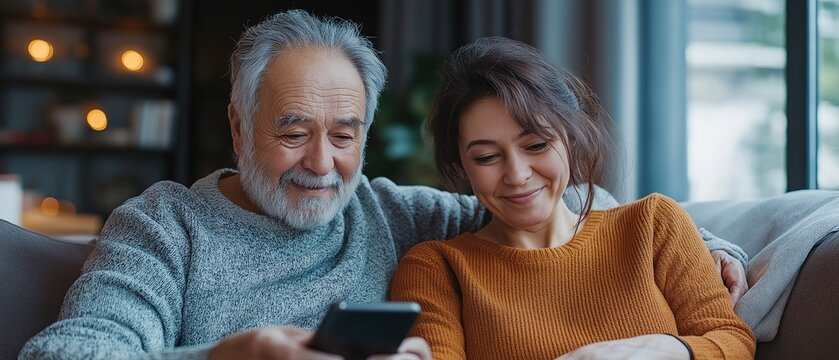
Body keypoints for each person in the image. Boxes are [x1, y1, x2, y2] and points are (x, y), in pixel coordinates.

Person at [20, 10, 747, 360]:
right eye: (292, 131)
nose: (320, 163)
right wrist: (226, 357)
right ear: (240, 128)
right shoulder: (164, 225)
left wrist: (703, 245)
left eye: (344, 136)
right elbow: (65, 356)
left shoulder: (400, 216)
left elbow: (537, 203)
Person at [389, 37, 755, 359]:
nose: (517, 175)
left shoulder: (654, 223)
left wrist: (664, 349)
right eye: (486, 157)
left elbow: (733, 341)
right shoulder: (437, 268)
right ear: (461, 167)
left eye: (536, 145)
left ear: (571, 138)